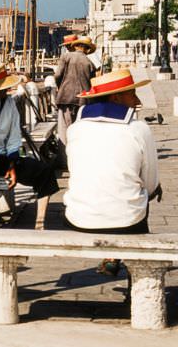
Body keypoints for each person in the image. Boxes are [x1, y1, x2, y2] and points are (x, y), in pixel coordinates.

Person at [63, 68, 162, 274]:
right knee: (141, 199)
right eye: (132, 93)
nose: (137, 100)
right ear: (117, 97)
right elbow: (151, 184)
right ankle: (137, 281)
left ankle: (113, 257)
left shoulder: (75, 129)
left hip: (79, 217)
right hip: (127, 220)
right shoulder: (139, 128)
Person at [0, 63, 60, 229]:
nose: (6, 91)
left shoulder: (9, 104)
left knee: (44, 172)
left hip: (3, 159)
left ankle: (40, 222)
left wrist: (11, 165)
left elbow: (13, 137)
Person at [54, 35, 95, 150]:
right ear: (86, 49)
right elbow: (92, 83)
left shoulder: (66, 57)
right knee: (80, 130)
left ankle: (64, 160)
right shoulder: (89, 63)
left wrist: (61, 87)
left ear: (76, 46)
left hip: (65, 98)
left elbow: (57, 75)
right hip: (83, 100)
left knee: (64, 130)